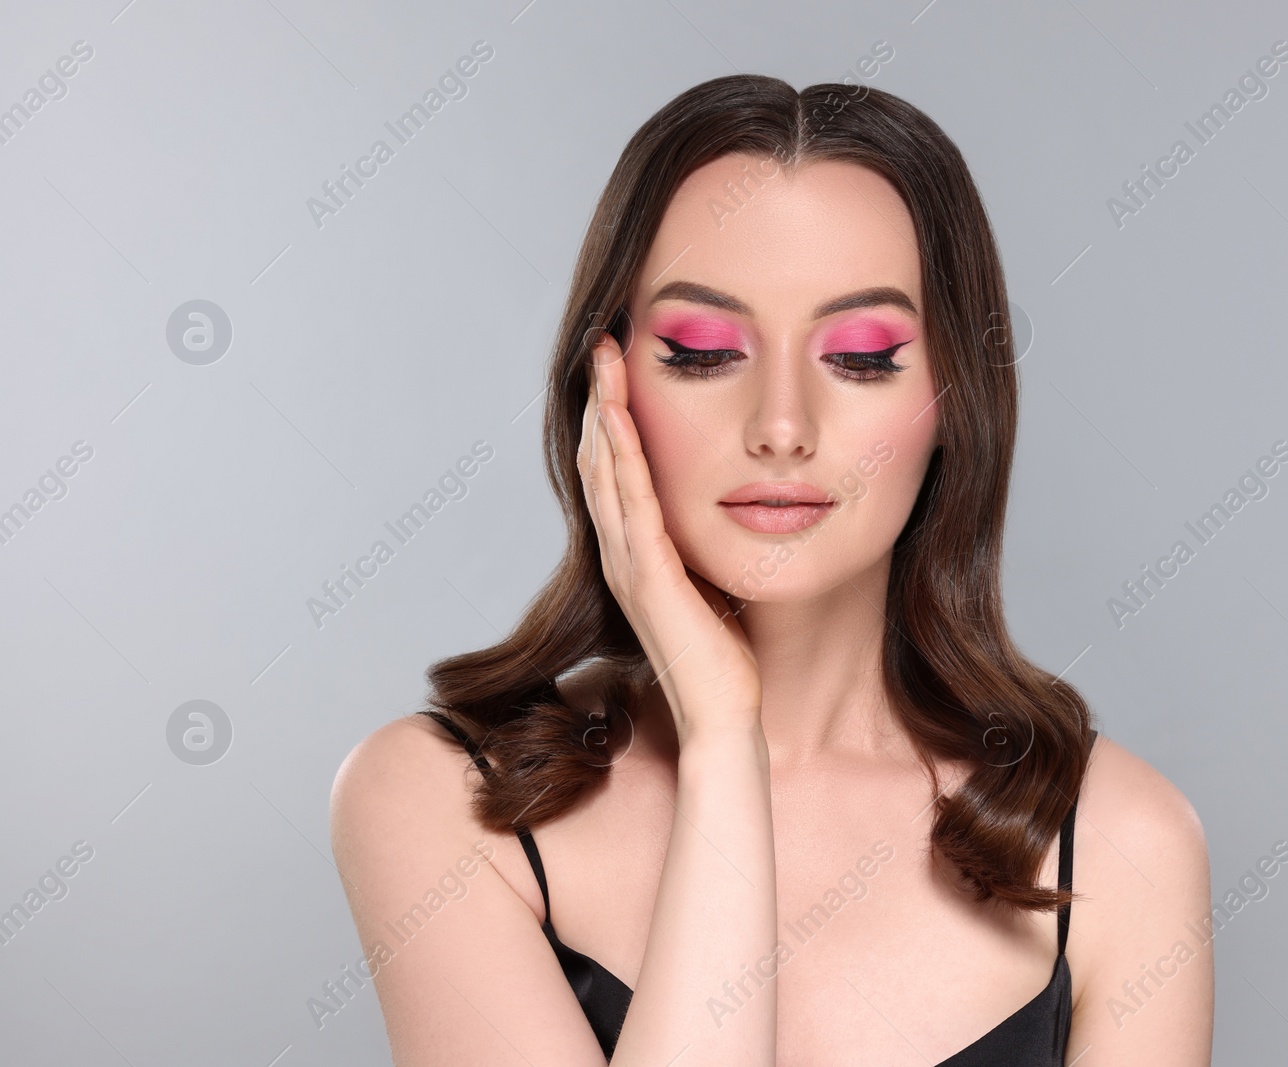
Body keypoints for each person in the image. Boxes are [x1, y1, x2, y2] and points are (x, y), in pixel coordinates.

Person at [330, 73, 1212, 1066]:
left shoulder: (1124, 839)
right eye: (704, 350)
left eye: (864, 356)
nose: (782, 427)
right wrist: (719, 737)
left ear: (954, 399)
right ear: (603, 384)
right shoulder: (438, 797)